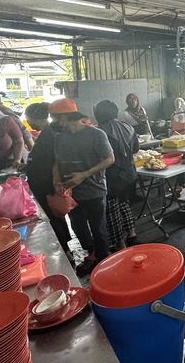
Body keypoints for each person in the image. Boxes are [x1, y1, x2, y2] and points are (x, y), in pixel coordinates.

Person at [49, 98, 114, 276]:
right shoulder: (59, 137)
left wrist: (84, 174)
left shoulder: (96, 134)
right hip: (70, 193)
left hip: (94, 190)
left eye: (54, 118)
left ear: (65, 117)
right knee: (78, 227)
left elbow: (109, 159)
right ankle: (91, 255)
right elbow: (56, 162)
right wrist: (56, 181)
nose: (53, 122)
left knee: (98, 228)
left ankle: (103, 261)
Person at [25, 103, 73, 262]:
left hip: (47, 185)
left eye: (28, 119)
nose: (28, 122)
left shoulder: (50, 135)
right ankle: (65, 248)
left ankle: (65, 251)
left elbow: (54, 160)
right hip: (43, 184)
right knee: (55, 217)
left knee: (54, 218)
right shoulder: (45, 133)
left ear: (36, 118)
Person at [93, 100, 139, 251]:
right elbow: (136, 148)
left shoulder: (101, 131)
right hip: (130, 172)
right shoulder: (128, 126)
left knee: (112, 209)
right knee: (124, 203)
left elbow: (100, 155)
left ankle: (120, 244)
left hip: (113, 175)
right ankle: (132, 233)